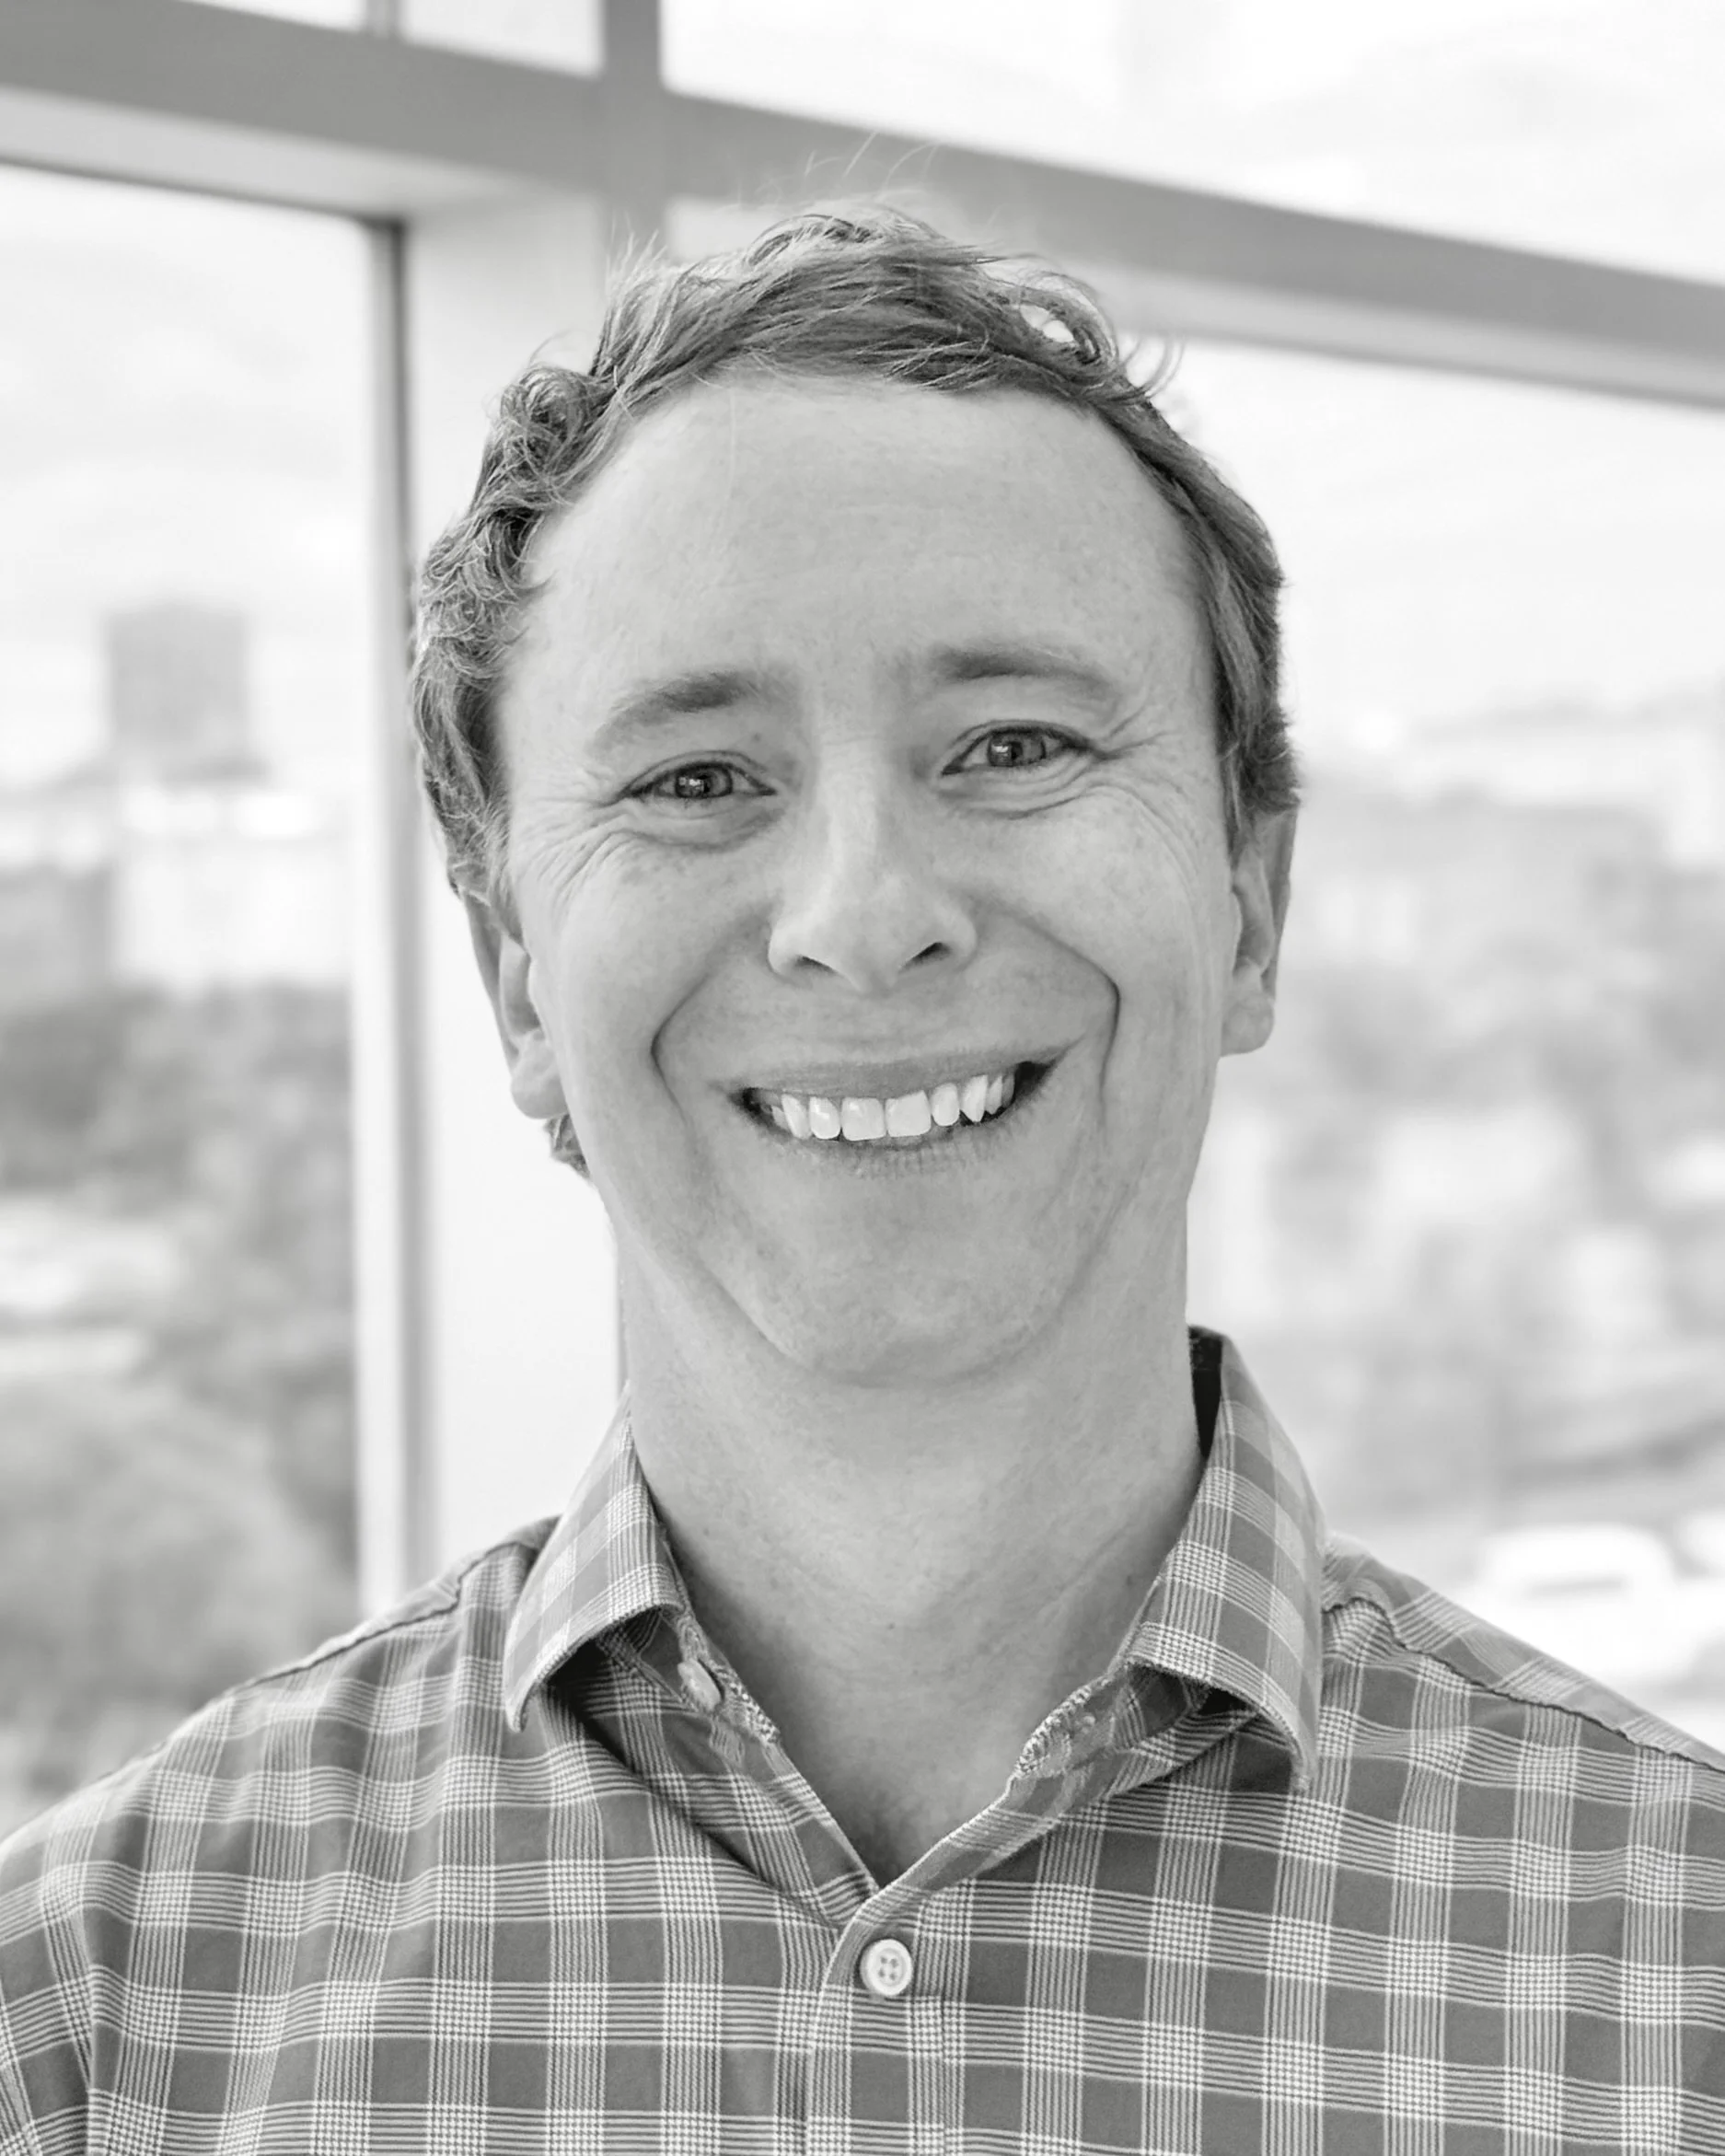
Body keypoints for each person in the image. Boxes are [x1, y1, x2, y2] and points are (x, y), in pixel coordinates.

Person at [3, 205, 1721, 2150]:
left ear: (1250, 903)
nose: (863, 916)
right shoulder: (102, 2018)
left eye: (1008, 743)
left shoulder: (1684, 1984)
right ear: (516, 984)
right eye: (696, 778)